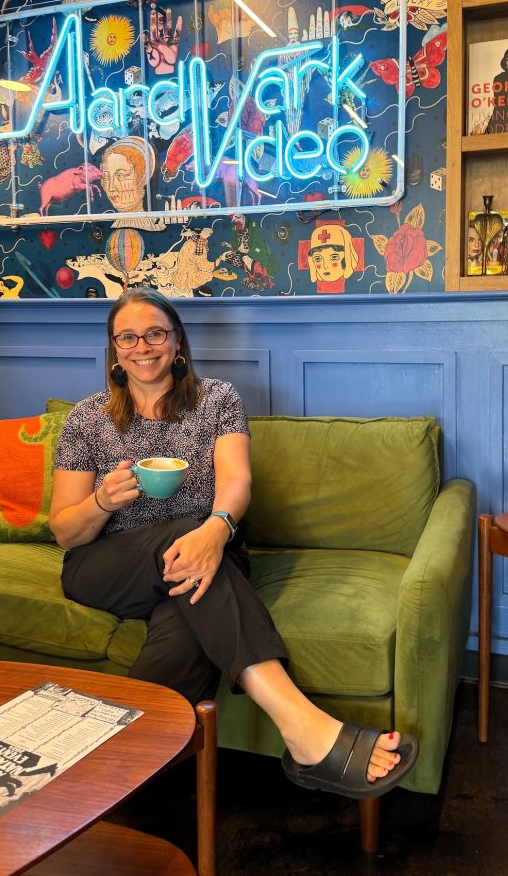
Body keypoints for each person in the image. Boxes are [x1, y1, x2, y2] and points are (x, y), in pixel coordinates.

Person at [49, 287, 418, 798]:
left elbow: (237, 481)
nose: (143, 346)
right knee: (189, 546)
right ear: (114, 349)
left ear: (177, 341)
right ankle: (302, 725)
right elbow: (65, 531)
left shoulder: (216, 400)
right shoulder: (87, 418)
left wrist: (216, 529)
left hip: (206, 555)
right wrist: (103, 501)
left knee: (187, 610)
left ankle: (114, 767)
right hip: (105, 567)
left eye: (155, 333)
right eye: (127, 337)